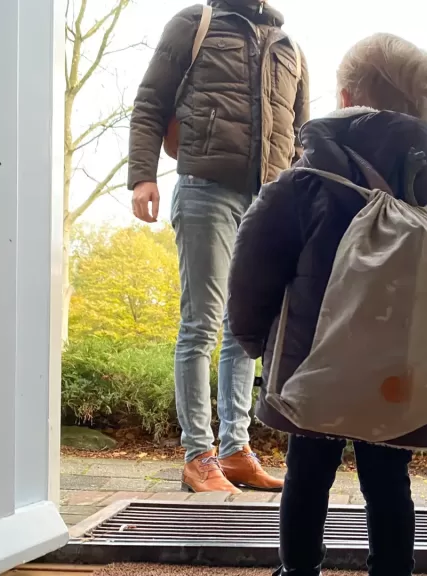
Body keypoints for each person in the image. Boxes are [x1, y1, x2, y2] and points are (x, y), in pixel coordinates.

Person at [227, 33, 427, 576]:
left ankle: (299, 571)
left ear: (345, 99)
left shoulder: (302, 188)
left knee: (307, 477)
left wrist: (256, 341)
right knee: (390, 483)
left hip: (312, 369)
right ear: (426, 115)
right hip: (401, 378)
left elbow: (251, 274)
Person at [127, 0, 308, 493]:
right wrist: (143, 175)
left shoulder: (289, 46)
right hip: (206, 186)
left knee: (245, 328)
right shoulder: (195, 23)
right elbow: (150, 102)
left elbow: (301, 135)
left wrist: (300, 201)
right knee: (202, 323)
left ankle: (234, 449)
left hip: (268, 197)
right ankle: (197, 455)